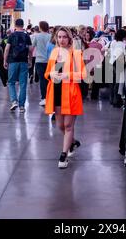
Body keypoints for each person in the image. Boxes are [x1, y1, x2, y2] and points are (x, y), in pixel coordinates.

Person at [45, 27, 86, 169]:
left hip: (71, 93)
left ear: (69, 38)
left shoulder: (75, 53)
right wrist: (51, 75)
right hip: (56, 92)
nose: (61, 40)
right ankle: (72, 142)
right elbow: (47, 73)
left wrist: (67, 75)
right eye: (59, 37)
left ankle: (63, 155)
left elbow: (83, 74)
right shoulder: (55, 52)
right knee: (60, 126)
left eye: (64, 37)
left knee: (68, 126)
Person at [4, 19, 32, 113]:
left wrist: (5, 60)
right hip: (23, 61)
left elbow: (7, 49)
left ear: (15, 25)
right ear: (23, 25)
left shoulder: (11, 35)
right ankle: (22, 106)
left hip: (13, 61)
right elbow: (30, 50)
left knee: (11, 82)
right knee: (23, 84)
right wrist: (30, 60)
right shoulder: (27, 36)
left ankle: (14, 101)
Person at [31, 21, 52, 106]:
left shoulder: (36, 36)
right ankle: (49, 96)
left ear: (40, 27)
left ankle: (44, 98)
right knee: (49, 79)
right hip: (49, 60)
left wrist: (29, 57)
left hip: (39, 60)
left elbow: (32, 47)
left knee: (42, 80)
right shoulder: (51, 36)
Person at [109, 29, 126, 108]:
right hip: (119, 63)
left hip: (112, 62)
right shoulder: (123, 44)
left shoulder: (113, 42)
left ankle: (112, 100)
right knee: (118, 83)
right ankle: (117, 101)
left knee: (112, 83)